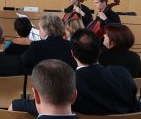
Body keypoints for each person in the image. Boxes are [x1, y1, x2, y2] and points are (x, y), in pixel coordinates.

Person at [11, 29, 140, 116]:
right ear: (99, 52)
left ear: (72, 54)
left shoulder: (67, 81)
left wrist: (17, 103)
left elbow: (49, 107)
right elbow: (135, 107)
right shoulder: (123, 74)